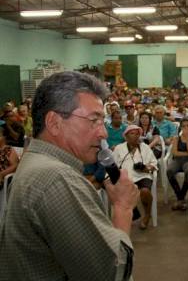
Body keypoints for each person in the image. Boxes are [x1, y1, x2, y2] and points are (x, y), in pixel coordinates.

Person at [0, 71, 138, 280]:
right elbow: (110, 273)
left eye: (103, 121)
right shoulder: (57, 179)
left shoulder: (34, 162)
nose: (104, 133)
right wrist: (123, 208)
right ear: (54, 122)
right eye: (94, 120)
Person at [113, 125, 158, 229]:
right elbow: (113, 165)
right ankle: (133, 213)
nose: (135, 136)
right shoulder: (119, 148)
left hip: (143, 175)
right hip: (126, 177)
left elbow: (154, 162)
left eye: (137, 134)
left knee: (145, 191)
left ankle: (147, 214)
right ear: (126, 136)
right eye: (132, 133)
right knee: (122, 189)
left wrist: (147, 168)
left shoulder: (145, 147)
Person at [167, 118, 188, 211]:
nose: (186, 128)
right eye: (183, 126)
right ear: (181, 127)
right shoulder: (176, 138)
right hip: (177, 160)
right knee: (169, 170)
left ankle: (180, 198)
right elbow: (175, 153)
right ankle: (180, 197)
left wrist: (187, 140)